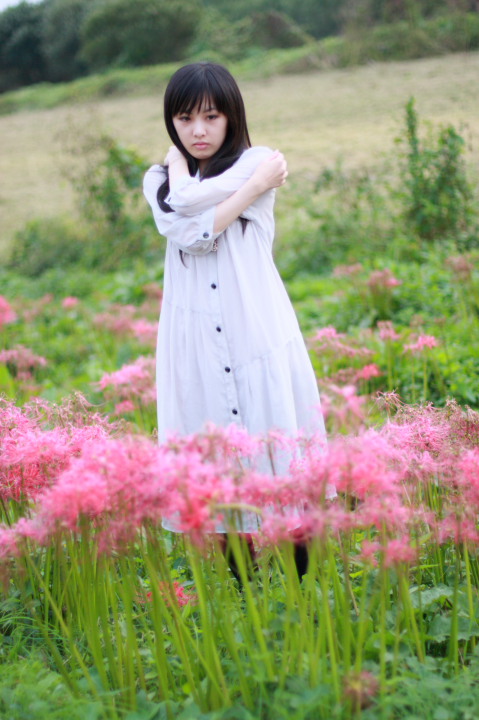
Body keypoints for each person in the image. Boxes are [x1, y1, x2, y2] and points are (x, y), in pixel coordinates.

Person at [143, 62, 329, 578]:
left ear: (231, 116)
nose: (197, 131)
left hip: (257, 328)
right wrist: (244, 191)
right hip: (195, 338)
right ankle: (244, 590)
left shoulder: (258, 160)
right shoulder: (160, 180)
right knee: (214, 455)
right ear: (171, 121)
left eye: (211, 116)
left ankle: (305, 585)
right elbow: (190, 231)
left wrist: (234, 184)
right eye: (184, 119)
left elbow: (193, 211)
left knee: (279, 441)